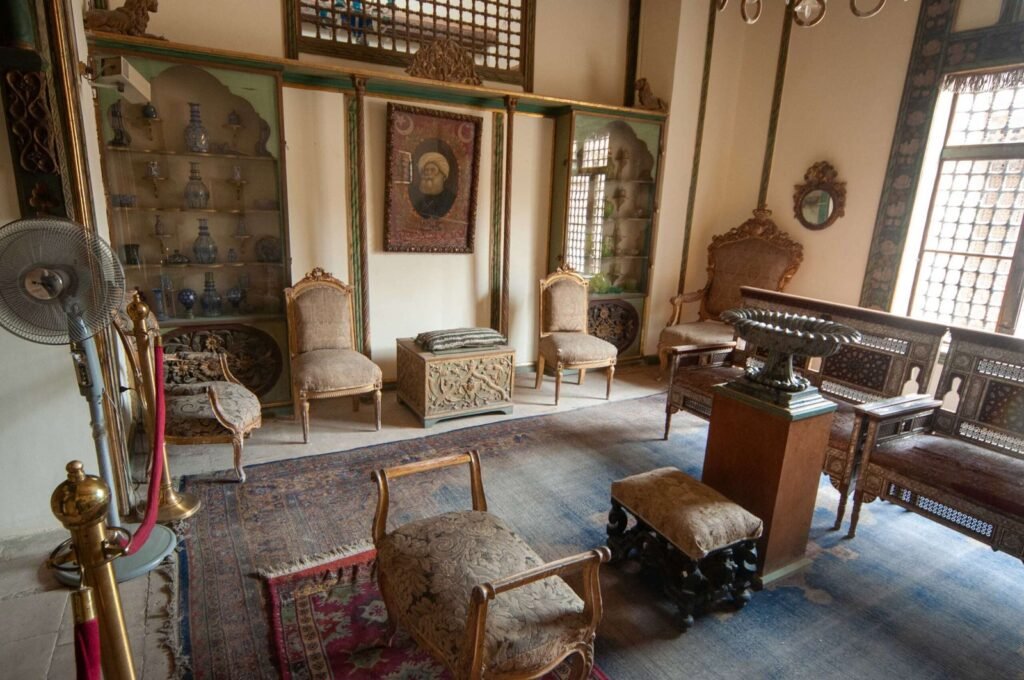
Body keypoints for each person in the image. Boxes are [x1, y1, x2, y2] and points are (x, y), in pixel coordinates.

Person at [410, 149, 457, 219]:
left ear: (443, 176)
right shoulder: (414, 193)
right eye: (426, 170)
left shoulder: (450, 198)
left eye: (433, 170)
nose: (429, 174)